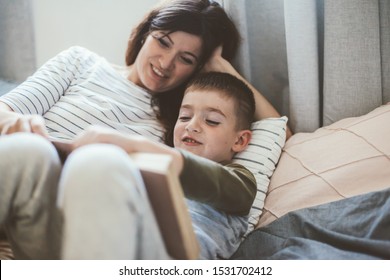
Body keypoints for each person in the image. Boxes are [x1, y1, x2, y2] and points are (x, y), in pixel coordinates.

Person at [0, 0, 287, 259]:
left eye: (186, 59)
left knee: (98, 161)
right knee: (27, 150)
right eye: (162, 42)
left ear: (197, 69)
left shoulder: (179, 122)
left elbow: (277, 131)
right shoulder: (79, 62)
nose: (166, 63)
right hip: (28, 181)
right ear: (144, 34)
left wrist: (219, 66)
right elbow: (5, 110)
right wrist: (14, 122)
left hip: (85, 213)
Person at [58, 71, 257, 259]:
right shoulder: (152, 166)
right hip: (124, 241)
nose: (191, 125)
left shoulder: (240, 180)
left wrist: (136, 145)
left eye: (212, 121)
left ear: (239, 141)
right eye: (185, 117)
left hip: (173, 259)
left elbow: (214, 182)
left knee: (102, 162)